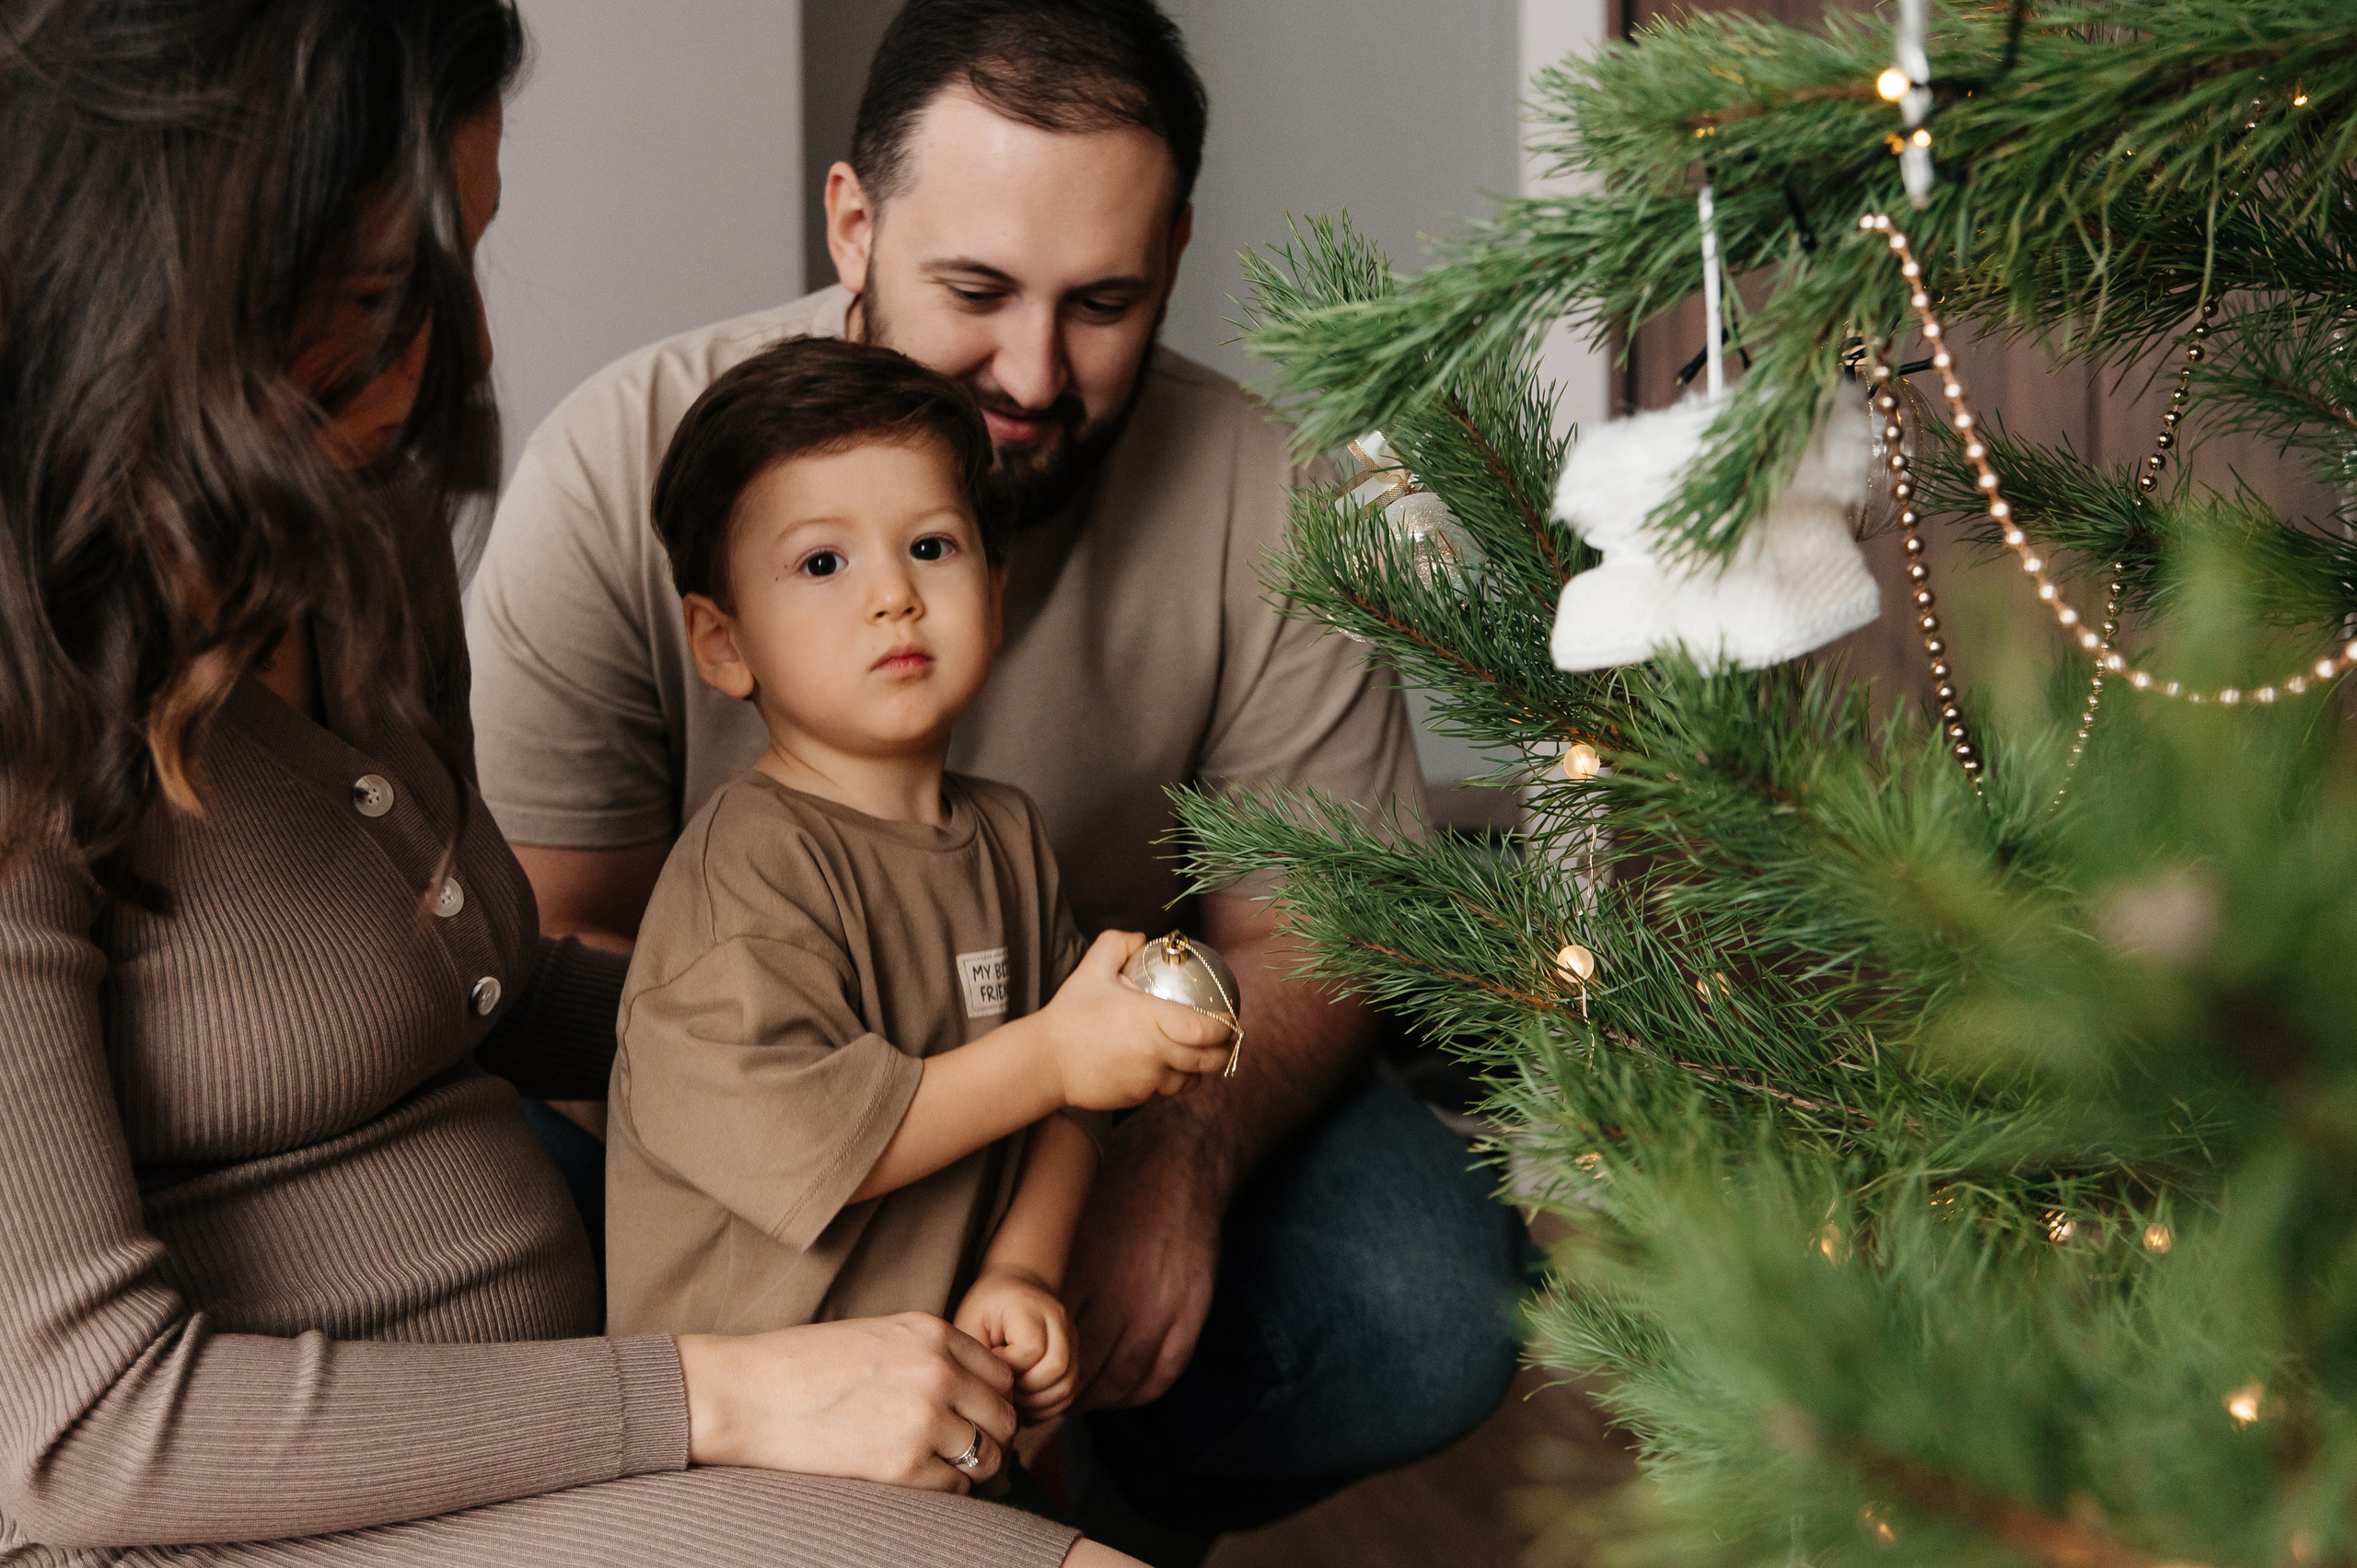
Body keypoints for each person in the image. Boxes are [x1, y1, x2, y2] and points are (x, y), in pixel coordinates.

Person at [0, 3, 1146, 1563]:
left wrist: (886, 1066)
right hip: (248, 1509)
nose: (472, 347)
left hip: (554, 1413)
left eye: (466, 259)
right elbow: (87, 1435)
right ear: (179, 290)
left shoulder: (352, 525)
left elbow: (483, 982)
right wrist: (721, 1394)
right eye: (385, 291)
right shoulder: (31, 703)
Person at [466, 0, 1528, 1556]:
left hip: (1089, 1084)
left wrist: (1161, 1159)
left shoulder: (1260, 500)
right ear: (854, 222)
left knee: (1432, 1292)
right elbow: (559, 952)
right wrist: (882, 1178)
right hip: (706, 1118)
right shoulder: (626, 462)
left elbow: (1311, 929)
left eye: (1102, 301)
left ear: (1173, 250)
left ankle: (1073, 1490)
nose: (1029, 372)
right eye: (974, 290)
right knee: (459, 1223)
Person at [607, 337, 1234, 1429]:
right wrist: (1051, 1051)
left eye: (931, 547)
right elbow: (826, 1150)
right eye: (821, 563)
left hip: (943, 1426)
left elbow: (1076, 1099)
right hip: (760, 1465)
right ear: (721, 642)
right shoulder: (746, 872)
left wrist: (1024, 1268)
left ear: (995, 585)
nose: (894, 594)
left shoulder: (1005, 834)